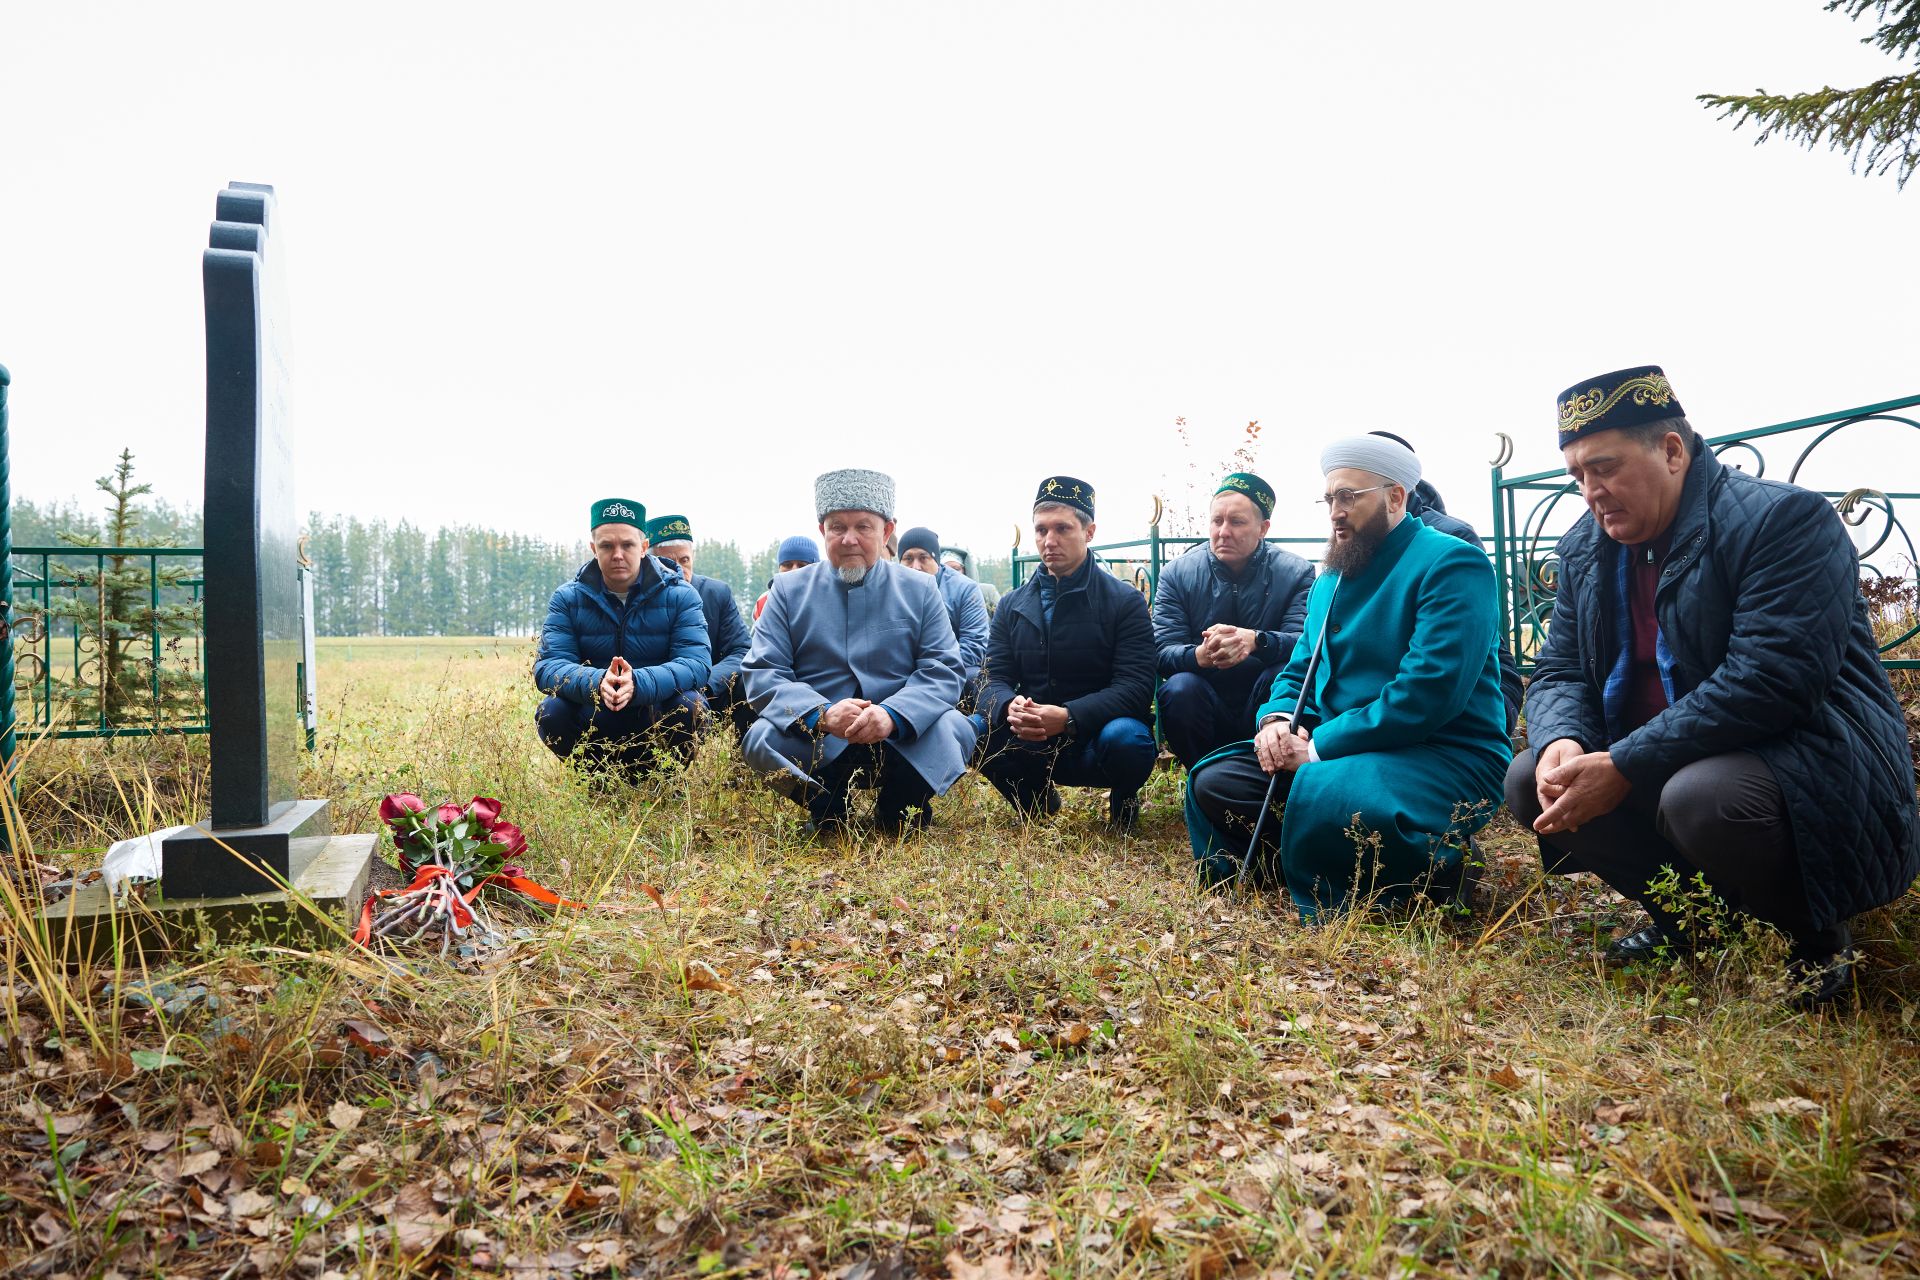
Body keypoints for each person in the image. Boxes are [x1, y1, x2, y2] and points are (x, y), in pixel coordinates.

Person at [1506, 365, 1920, 1007]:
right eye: (1578, 475)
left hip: (1805, 757)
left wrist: (1625, 761)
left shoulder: (1783, 522)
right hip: (1655, 754)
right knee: (1529, 776)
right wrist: (1562, 736)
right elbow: (1558, 669)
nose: (1591, 491)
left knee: (1702, 798)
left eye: (1607, 467)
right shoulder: (1587, 548)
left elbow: (1773, 679)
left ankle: (1813, 940)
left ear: (1673, 450)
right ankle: (1695, 926)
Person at [1185, 436, 1510, 917]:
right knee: (1215, 780)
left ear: (1395, 497)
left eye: (1350, 497)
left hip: (1441, 750)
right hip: (1339, 750)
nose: (1336, 511)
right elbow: (1300, 669)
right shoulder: (1332, 576)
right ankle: (1315, 855)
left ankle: (1442, 867)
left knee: (1337, 791)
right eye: (1331, 498)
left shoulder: (1452, 563)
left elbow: (1426, 694)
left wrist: (1316, 749)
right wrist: (1277, 722)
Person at [741, 470, 977, 838]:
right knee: (760, 739)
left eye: (863, 527)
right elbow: (762, 671)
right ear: (822, 531)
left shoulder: (920, 589)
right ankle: (827, 808)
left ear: (886, 532)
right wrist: (821, 713)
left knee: (956, 728)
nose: (849, 539)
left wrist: (892, 714)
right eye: (838, 527)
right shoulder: (789, 591)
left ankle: (899, 808)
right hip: (819, 735)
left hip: (900, 736)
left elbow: (943, 668)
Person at [977, 476, 1157, 833]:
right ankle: (1036, 802)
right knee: (973, 730)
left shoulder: (1123, 602)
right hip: (1032, 736)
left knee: (1129, 739)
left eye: (1062, 528)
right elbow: (990, 677)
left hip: (1097, 736)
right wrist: (1007, 705)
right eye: (1041, 530)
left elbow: (1136, 686)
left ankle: (1124, 797)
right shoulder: (1013, 605)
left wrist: (1069, 716)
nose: (1049, 541)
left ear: (1089, 532)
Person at [534, 499, 711, 775]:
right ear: (594, 549)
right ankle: (594, 779)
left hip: (654, 713)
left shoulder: (681, 596)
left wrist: (638, 683)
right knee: (551, 711)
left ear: (643, 547)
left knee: (692, 706)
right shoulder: (568, 599)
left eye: (627, 545)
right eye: (607, 546)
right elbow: (548, 667)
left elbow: (696, 664)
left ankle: (664, 780)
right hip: (594, 715)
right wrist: (597, 682)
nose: (618, 554)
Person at [1152, 471, 1315, 769]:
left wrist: (1256, 641)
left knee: (1282, 673)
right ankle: (1200, 774)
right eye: (1217, 521)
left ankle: (1266, 773)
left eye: (1237, 522)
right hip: (1204, 699)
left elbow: (1306, 644)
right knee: (1179, 688)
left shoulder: (1296, 572)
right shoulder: (1177, 573)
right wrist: (1199, 655)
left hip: (1264, 701)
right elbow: (1161, 650)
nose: (1223, 532)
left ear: (1263, 528)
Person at [1368, 431, 1525, 733]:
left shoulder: (1452, 541)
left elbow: (1453, 654)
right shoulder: (1355, 542)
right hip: (1393, 690)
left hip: (1471, 682)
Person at [645, 513, 755, 739]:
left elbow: (742, 651)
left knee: (753, 679)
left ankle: (743, 757)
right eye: (668, 564)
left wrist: (704, 681)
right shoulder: (640, 599)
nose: (679, 570)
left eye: (684, 561)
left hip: (709, 691)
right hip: (656, 695)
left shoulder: (715, 594)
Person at [898, 525, 990, 703]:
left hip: (950, 668)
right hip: (901, 670)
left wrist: (930, 672)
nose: (915, 567)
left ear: (937, 561)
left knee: (976, 677)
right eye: (908, 558)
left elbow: (974, 645)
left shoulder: (965, 589)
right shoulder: (891, 588)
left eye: (923, 557)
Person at [754, 535, 819, 623]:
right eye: (788, 565)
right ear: (779, 568)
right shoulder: (764, 601)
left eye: (802, 565)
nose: (794, 570)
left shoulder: (825, 600)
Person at [944, 546, 1001, 614]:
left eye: (956, 569)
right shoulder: (935, 597)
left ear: (964, 570)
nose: (952, 573)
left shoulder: (987, 592)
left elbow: (1002, 620)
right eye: (946, 570)